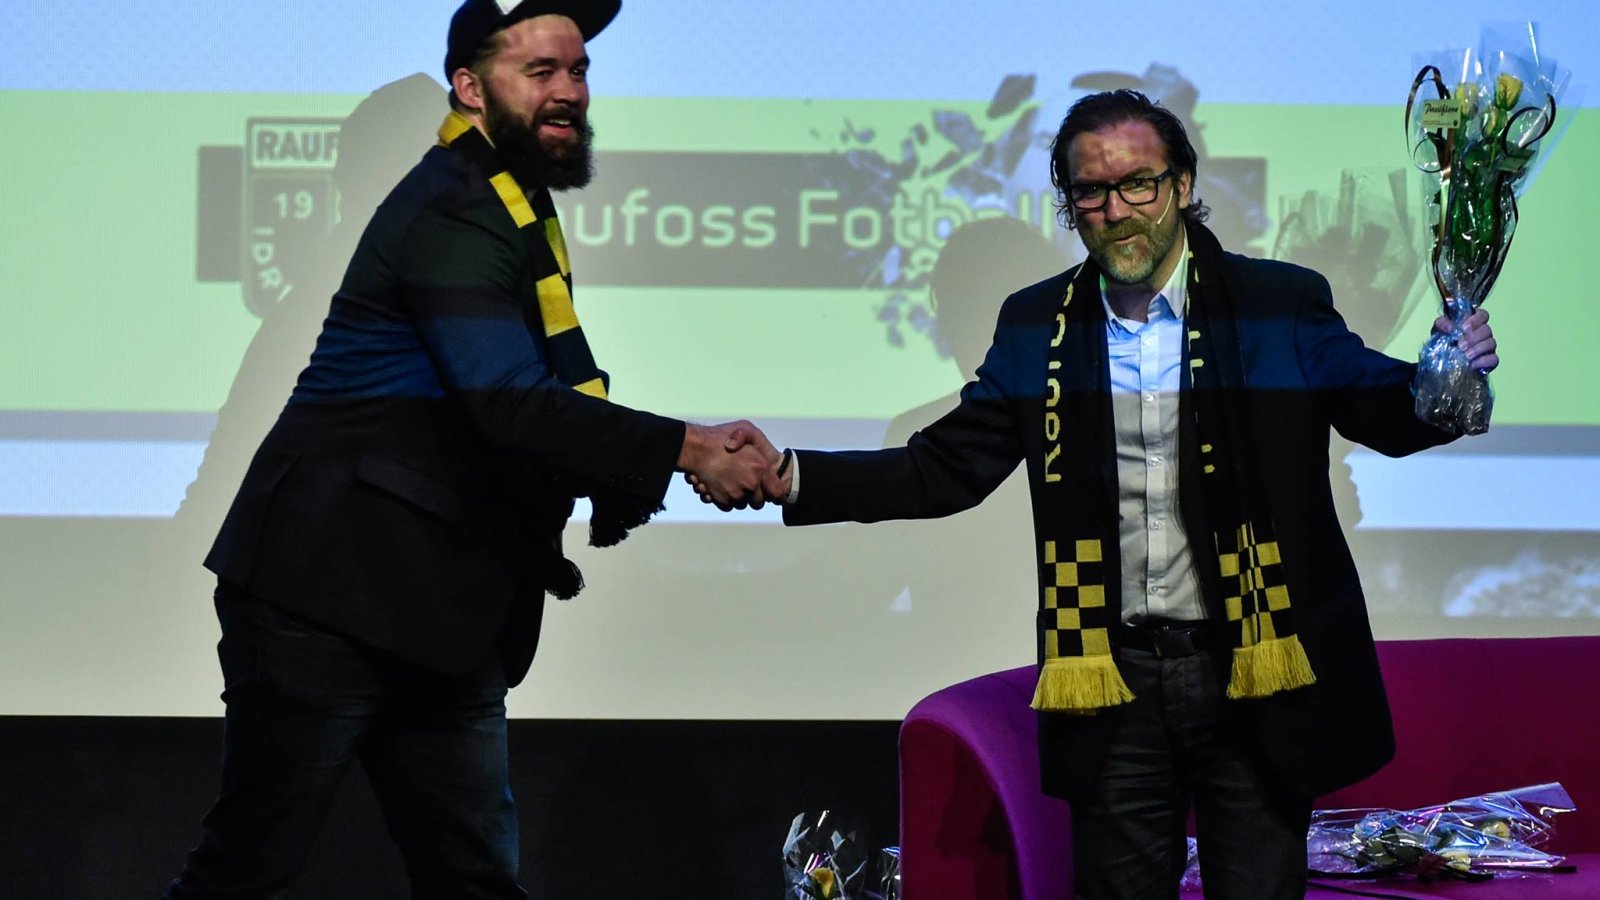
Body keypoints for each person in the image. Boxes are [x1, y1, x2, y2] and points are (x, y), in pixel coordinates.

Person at [734, 90, 1500, 899]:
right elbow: (943, 467)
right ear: (1070, 205)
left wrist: (1445, 379)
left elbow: (1380, 408)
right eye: (1091, 192)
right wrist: (790, 474)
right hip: (1111, 679)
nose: (1117, 210)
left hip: (1254, 672)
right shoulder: (1037, 324)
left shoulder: (1276, 305)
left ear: (1181, 184)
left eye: (1138, 183)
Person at [164, 2, 781, 897]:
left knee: (472, 881)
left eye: (578, 71)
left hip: (439, 611)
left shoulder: (509, 203)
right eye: (540, 72)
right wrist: (688, 447)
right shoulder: (453, 205)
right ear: (469, 86)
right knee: (246, 871)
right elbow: (510, 402)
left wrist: (652, 459)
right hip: (327, 599)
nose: (568, 91)